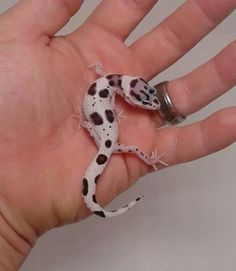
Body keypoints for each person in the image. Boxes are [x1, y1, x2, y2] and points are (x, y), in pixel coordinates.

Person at [0, 0, 235, 269]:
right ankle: (102, 202)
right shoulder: (112, 87)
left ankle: (100, 200)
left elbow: (106, 85)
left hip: (101, 130)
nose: (148, 105)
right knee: (117, 147)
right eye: (145, 102)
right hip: (103, 132)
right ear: (128, 93)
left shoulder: (111, 83)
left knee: (114, 145)